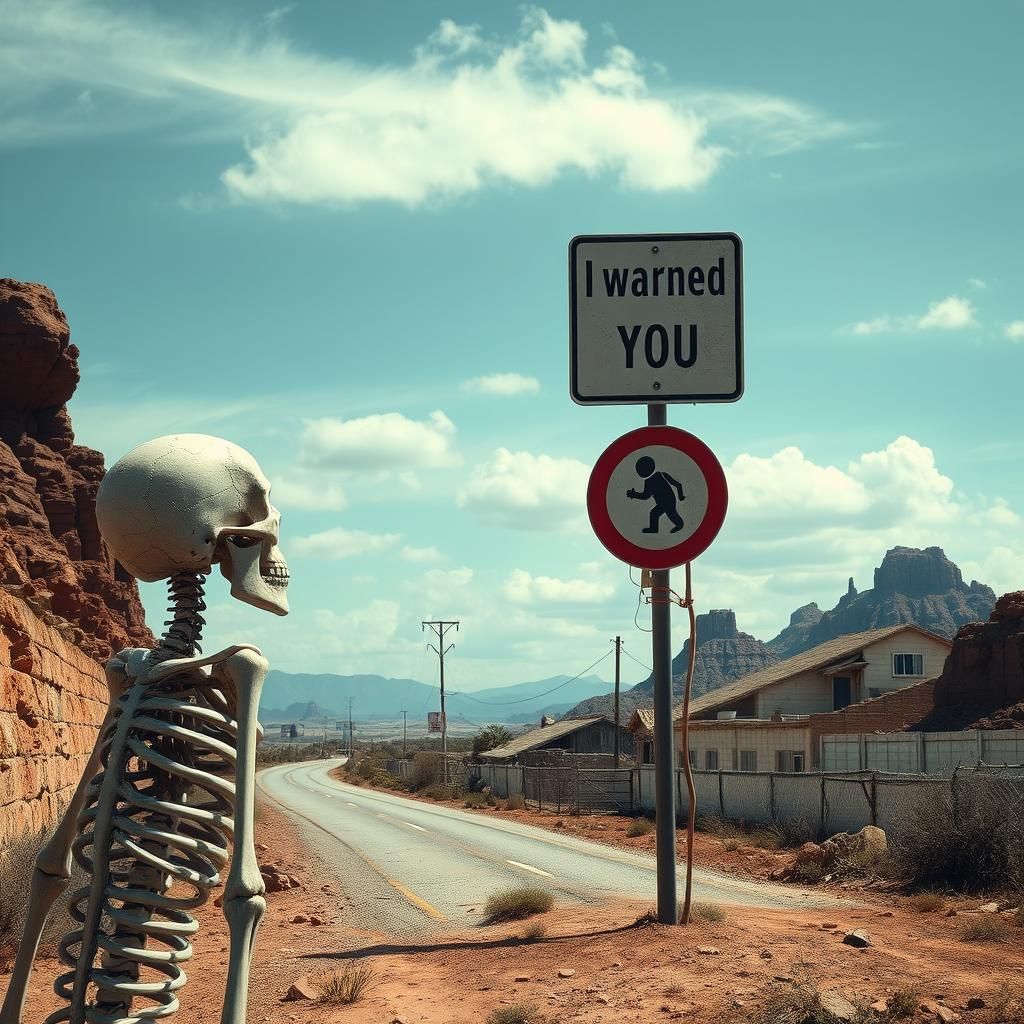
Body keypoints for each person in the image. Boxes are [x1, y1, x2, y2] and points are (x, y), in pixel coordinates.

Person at [626, 455, 685, 533]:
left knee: (671, 514)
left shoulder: (649, 482)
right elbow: (678, 485)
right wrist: (680, 496)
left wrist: (634, 495)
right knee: (654, 513)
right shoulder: (662, 474)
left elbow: (645, 496)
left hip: (667, 502)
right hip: (667, 501)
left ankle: (680, 525)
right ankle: (654, 529)